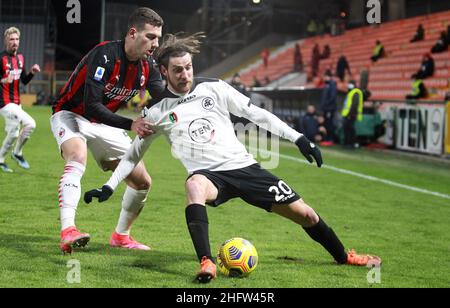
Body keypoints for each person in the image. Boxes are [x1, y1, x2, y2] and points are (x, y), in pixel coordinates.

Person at [84, 32, 381, 283]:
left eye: (188, 67)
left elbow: (257, 114)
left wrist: (299, 138)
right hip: (210, 176)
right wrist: (110, 186)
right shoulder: (156, 111)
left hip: (245, 168)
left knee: (307, 215)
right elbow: (133, 154)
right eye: (178, 70)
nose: (185, 74)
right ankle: (207, 262)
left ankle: (345, 257)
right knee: (194, 186)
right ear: (164, 72)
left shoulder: (214, 87)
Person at [50, 7, 166, 254]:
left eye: (158, 37)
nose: (156, 43)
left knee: (142, 182)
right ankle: (68, 230)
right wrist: (131, 124)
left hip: (105, 123)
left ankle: (121, 236)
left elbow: (164, 98)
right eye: (151, 37)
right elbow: (92, 106)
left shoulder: (149, 66)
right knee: (77, 156)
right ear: (133, 33)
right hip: (72, 113)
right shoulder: (104, 55)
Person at [0, 27, 40, 173]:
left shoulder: (21, 58)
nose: (14, 42)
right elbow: (2, 80)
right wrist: (3, 80)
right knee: (31, 124)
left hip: (17, 103)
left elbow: (23, 81)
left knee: (14, 134)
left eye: (17, 39)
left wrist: (32, 73)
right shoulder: (1, 58)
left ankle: (1, 160)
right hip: (5, 103)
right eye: (11, 39)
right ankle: (17, 153)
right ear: (6, 41)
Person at [341, 80, 363, 149]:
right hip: (348, 114)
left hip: (351, 115)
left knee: (350, 130)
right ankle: (347, 143)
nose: (349, 86)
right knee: (347, 129)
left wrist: (350, 114)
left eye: (350, 84)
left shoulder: (355, 93)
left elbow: (354, 105)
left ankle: (351, 144)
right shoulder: (351, 93)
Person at [320, 71, 337, 143]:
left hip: (330, 108)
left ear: (328, 76)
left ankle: (330, 139)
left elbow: (332, 97)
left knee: (329, 123)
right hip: (326, 108)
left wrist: (326, 104)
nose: (324, 78)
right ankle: (327, 139)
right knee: (326, 123)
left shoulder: (332, 84)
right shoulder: (326, 85)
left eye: (325, 76)